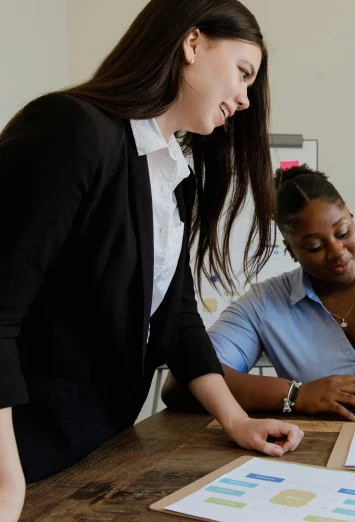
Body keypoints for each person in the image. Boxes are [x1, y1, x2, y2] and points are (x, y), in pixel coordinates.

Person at [0, 0, 305, 516]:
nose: (246, 99)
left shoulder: (170, 178)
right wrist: (6, 479)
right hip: (22, 452)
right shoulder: (69, 128)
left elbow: (177, 317)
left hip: (102, 450)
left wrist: (236, 421)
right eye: (242, 73)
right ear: (191, 44)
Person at [163, 164, 355, 422]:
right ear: (291, 250)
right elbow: (180, 384)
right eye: (315, 246)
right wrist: (297, 395)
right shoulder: (264, 303)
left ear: (352, 219)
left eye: (343, 232)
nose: (338, 252)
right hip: (312, 455)